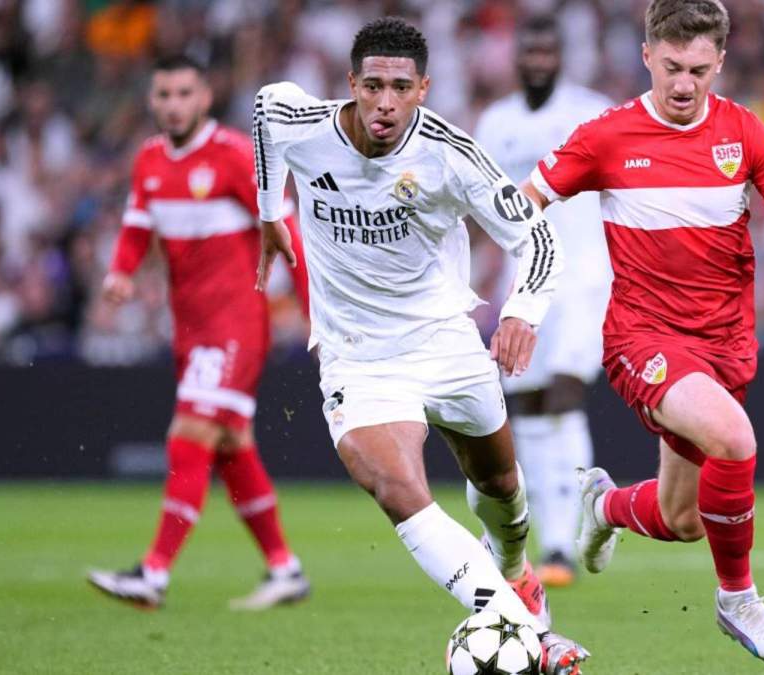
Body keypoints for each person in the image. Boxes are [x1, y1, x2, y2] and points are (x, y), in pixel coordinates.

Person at [521, 0, 764, 665]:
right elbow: (522, 205)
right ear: (647, 55)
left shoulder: (746, 135)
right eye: (671, 67)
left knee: (682, 518)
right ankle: (738, 598)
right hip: (640, 337)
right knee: (735, 438)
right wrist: (522, 300)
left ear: (720, 63)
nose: (684, 84)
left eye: (699, 70)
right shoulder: (606, 136)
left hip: (724, 345)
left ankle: (606, 505)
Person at [251, 18, 588, 674]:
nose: (384, 101)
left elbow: (539, 239)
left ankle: (518, 575)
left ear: (423, 90)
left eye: (400, 87)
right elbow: (266, 109)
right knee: (395, 484)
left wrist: (522, 310)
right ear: (351, 83)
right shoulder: (306, 124)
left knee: (503, 495)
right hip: (357, 355)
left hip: (446, 343)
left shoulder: (450, 154)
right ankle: (529, 635)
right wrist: (271, 212)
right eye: (372, 85)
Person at [87, 56, 311, 611]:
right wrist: (120, 271)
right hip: (189, 328)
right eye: (163, 93)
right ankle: (286, 569)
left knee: (188, 434)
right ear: (152, 100)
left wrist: (316, 313)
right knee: (231, 445)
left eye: (184, 92)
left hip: (236, 324)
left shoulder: (236, 156)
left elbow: (288, 235)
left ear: (204, 97)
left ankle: (153, 574)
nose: (173, 104)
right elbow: (138, 225)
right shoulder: (149, 161)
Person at [473, 15, 614, 588]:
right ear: (517, 58)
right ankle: (553, 540)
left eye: (546, 51)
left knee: (563, 393)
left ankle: (571, 533)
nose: (537, 60)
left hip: (585, 277)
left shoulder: (592, 112)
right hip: (523, 283)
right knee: (527, 404)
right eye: (528, 51)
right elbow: (481, 204)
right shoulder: (495, 122)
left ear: (560, 56)